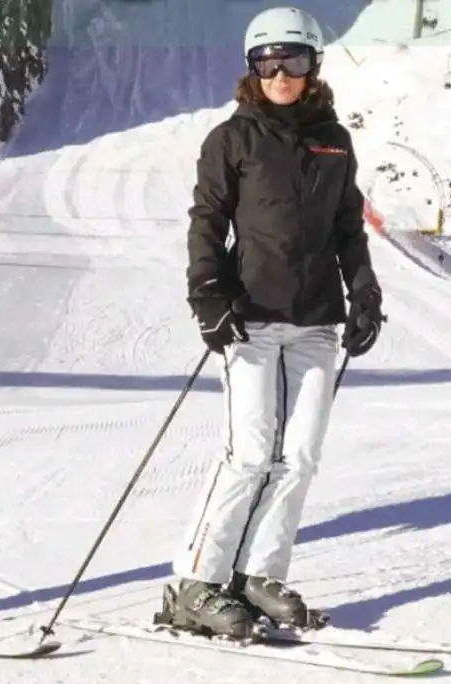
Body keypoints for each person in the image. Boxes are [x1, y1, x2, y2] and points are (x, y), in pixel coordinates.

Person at [161, 7, 385, 639]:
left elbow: (348, 226)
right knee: (250, 452)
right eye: (267, 61)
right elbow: (207, 220)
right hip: (250, 320)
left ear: (313, 65)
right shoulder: (232, 139)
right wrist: (207, 291)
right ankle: (196, 582)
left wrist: (363, 291)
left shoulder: (334, 139)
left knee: (301, 455)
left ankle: (258, 572)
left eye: (292, 59)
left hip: (316, 321)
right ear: (252, 69)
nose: (280, 72)